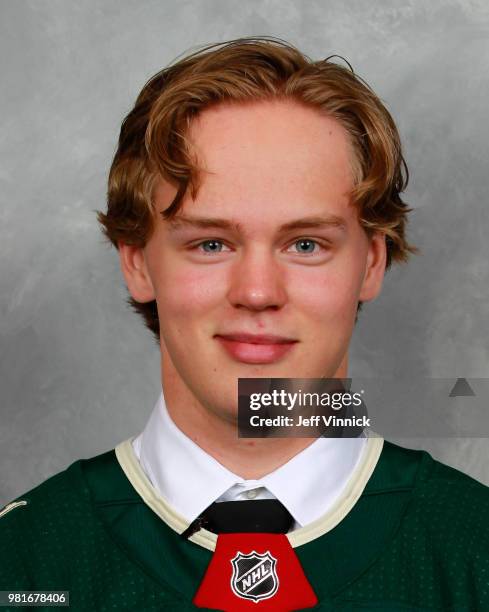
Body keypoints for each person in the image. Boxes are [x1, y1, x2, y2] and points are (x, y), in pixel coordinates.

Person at [1, 36, 488, 611]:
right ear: (136, 261)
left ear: (372, 262)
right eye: (211, 243)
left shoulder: (473, 550)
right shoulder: (24, 561)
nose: (257, 292)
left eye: (306, 244)